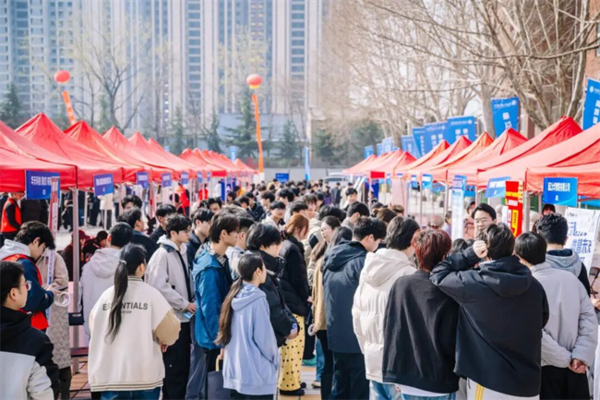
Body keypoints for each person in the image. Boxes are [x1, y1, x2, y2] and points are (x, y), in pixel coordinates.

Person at [431, 224, 549, 399]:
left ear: (484, 249)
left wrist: (469, 254)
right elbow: (542, 320)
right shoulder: (534, 285)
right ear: (512, 249)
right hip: (527, 384)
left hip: (487, 380)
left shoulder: (473, 283)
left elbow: (438, 273)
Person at [88, 244, 180, 399]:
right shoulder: (151, 295)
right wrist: (162, 339)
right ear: (142, 267)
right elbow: (171, 331)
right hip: (144, 377)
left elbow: (94, 328)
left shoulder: (105, 297)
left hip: (109, 377)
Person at [515, 232, 597, 400]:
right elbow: (589, 319)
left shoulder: (526, 286)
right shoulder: (571, 279)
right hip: (576, 368)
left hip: (544, 370)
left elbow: (534, 333)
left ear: (520, 258)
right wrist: (579, 356)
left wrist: (566, 359)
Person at [383, 229, 463, 400]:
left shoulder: (401, 285)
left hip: (407, 376)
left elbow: (391, 329)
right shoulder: (448, 288)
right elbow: (452, 338)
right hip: (440, 378)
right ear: (445, 255)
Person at [352, 216, 420, 399]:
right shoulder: (409, 274)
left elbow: (356, 315)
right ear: (413, 239)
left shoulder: (369, 267)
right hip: (399, 365)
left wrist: (367, 350)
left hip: (373, 361)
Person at [323, 217, 387, 400]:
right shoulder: (364, 262)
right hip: (357, 337)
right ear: (370, 238)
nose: (378, 245)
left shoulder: (331, 256)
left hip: (335, 334)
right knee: (358, 391)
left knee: (340, 388)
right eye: (378, 241)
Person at [217, 253, 280, 399]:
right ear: (258, 271)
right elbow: (264, 339)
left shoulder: (233, 295)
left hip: (235, 372)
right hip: (257, 375)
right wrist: (276, 360)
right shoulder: (258, 299)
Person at [146, 214, 194, 400]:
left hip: (183, 317)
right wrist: (184, 303)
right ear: (173, 232)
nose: (189, 234)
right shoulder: (162, 254)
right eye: (185, 231)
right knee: (173, 370)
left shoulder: (181, 250)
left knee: (182, 368)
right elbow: (159, 286)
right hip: (171, 319)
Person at [193, 214, 238, 397]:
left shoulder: (217, 259)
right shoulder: (210, 267)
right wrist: (220, 340)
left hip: (214, 336)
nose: (238, 235)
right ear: (223, 234)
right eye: (234, 231)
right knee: (212, 386)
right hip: (212, 339)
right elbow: (210, 308)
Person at [0, 261, 59, 399]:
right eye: (25, 285)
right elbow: (45, 394)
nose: (27, 289)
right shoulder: (35, 342)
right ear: (13, 293)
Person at [311, 222, 348, 399]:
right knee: (336, 365)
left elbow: (315, 292)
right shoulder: (338, 262)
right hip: (332, 320)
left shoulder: (322, 260)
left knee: (327, 365)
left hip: (321, 319)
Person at [246, 224, 298, 347]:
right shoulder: (259, 268)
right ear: (262, 246)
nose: (278, 248)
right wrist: (289, 327)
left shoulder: (250, 261)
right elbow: (273, 308)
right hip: (262, 341)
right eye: (275, 244)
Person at [80, 222, 133, 339]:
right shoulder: (128, 268)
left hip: (93, 327)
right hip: (120, 329)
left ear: (109, 238)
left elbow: (81, 298)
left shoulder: (88, 266)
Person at [0, 221, 55, 331]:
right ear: (36, 241)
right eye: (43, 248)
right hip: (26, 327)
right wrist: (49, 294)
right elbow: (33, 301)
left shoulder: (6, 257)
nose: (41, 253)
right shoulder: (24, 264)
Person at [278, 214, 311, 396]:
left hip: (286, 299)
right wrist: (306, 296)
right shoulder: (294, 249)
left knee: (289, 347)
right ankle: (289, 384)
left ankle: (292, 380)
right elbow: (299, 278)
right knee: (294, 346)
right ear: (299, 229)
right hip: (294, 302)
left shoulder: (285, 245)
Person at [37, 248, 72, 400]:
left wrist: (42, 292)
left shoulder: (54, 258)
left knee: (59, 359)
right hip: (36, 315)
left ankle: (64, 393)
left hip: (54, 315)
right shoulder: (23, 257)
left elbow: (62, 282)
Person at [535, 214, 591, 296]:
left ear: (539, 239)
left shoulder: (537, 266)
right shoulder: (579, 266)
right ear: (566, 239)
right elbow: (586, 296)